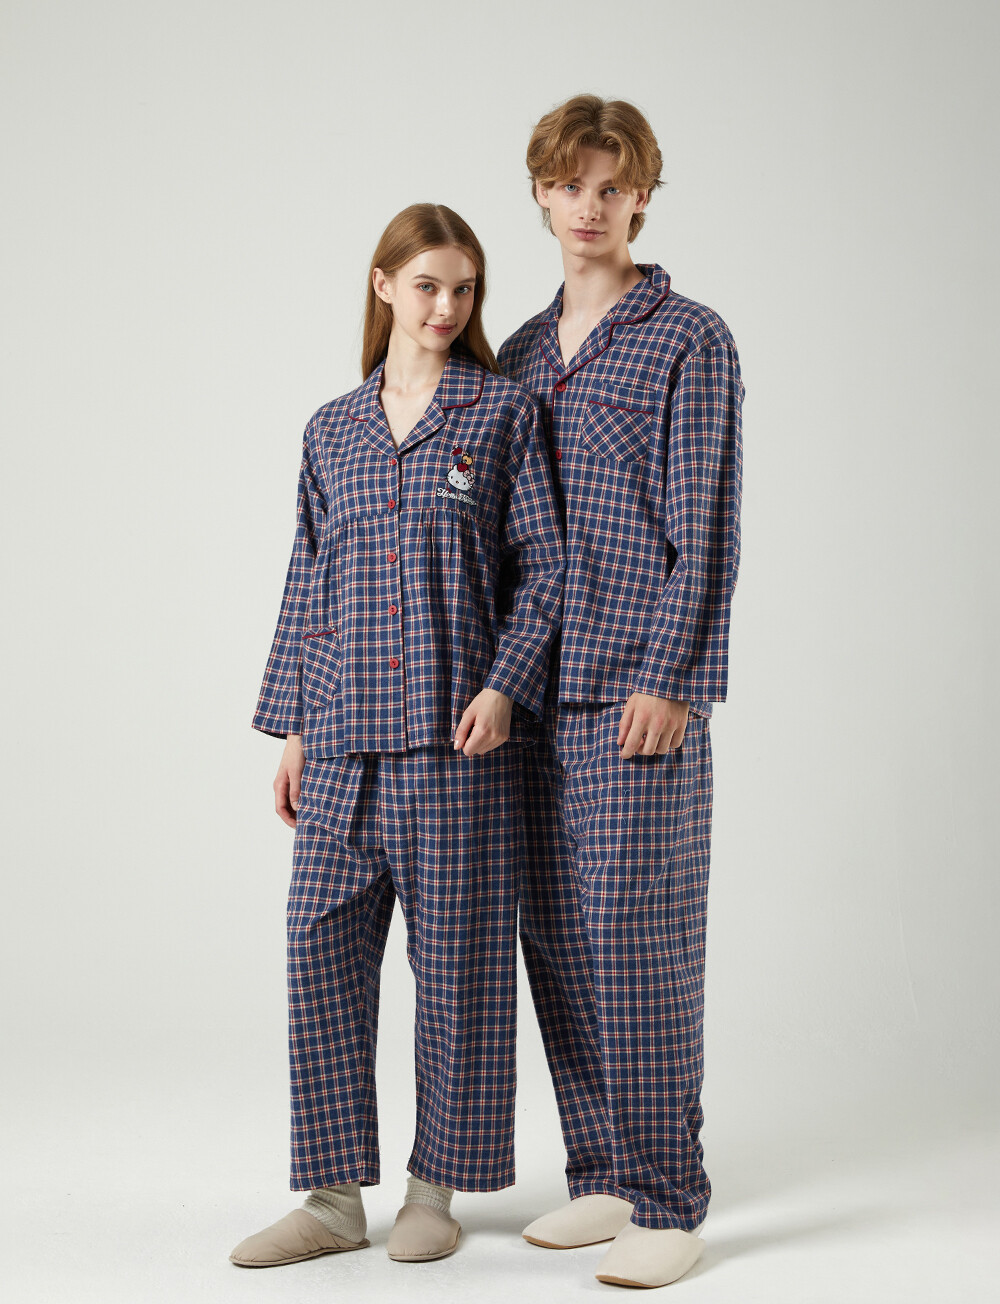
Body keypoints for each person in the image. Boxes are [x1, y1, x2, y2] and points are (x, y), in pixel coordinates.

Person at [230, 204, 565, 1269]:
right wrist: (290, 728)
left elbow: (546, 569)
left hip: (457, 745)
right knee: (318, 952)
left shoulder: (500, 411)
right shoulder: (331, 428)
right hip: (339, 742)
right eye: (427, 285)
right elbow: (308, 579)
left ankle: (434, 1188)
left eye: (464, 289)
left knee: (458, 968)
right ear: (383, 285)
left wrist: (506, 687)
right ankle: (333, 1200)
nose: (446, 306)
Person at [497, 95, 744, 1289]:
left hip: (632, 692)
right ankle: (599, 1167)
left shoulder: (688, 337)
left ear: (641, 196)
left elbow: (707, 525)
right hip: (528, 699)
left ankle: (665, 1195)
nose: (588, 206)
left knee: (637, 939)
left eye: (611, 186)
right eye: (569, 185)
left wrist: (674, 678)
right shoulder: (515, 355)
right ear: (540, 194)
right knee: (554, 933)